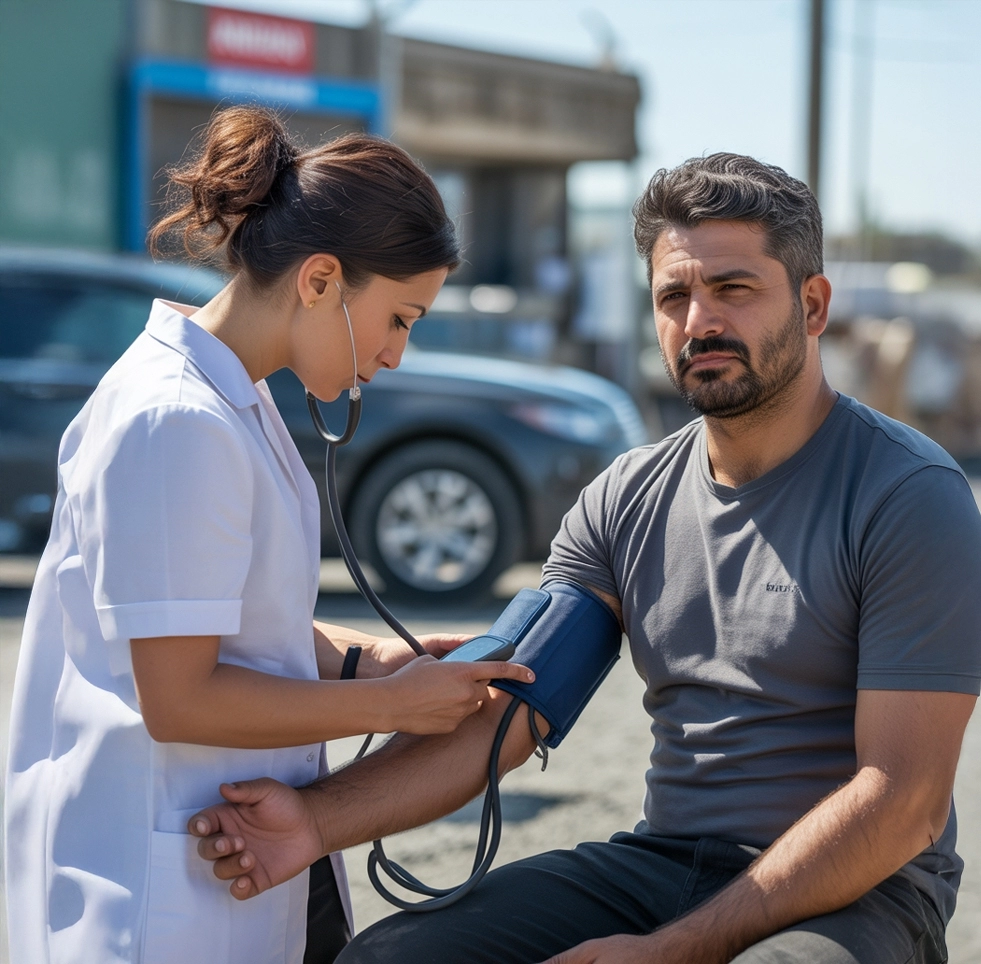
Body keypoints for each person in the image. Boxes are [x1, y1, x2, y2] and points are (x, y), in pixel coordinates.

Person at [189, 153, 981, 964]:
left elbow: (903, 801)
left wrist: (671, 951)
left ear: (811, 306)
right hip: (667, 863)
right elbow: (504, 712)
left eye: (733, 289)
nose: (699, 319)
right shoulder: (625, 498)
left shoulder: (907, 494)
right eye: (673, 296)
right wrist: (314, 822)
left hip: (860, 893)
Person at [2, 105, 534, 964]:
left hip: (216, 867)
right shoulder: (176, 421)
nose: (397, 354)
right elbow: (180, 696)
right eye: (400, 318)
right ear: (320, 281)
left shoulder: (228, 402)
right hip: (153, 898)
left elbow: (224, 613)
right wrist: (391, 707)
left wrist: (368, 661)